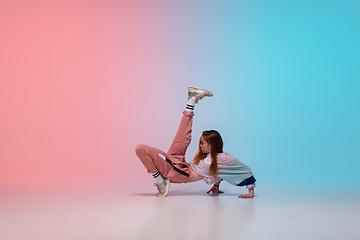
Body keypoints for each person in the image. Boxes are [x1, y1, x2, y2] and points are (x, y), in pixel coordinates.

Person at [135, 87, 256, 198]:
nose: (200, 145)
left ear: (211, 146)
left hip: (180, 173)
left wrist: (250, 191)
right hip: (181, 164)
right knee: (183, 135)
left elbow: (243, 169)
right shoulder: (212, 158)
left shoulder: (222, 158)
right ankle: (192, 99)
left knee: (140, 149)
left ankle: (161, 183)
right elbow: (219, 171)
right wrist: (216, 186)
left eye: (202, 143)